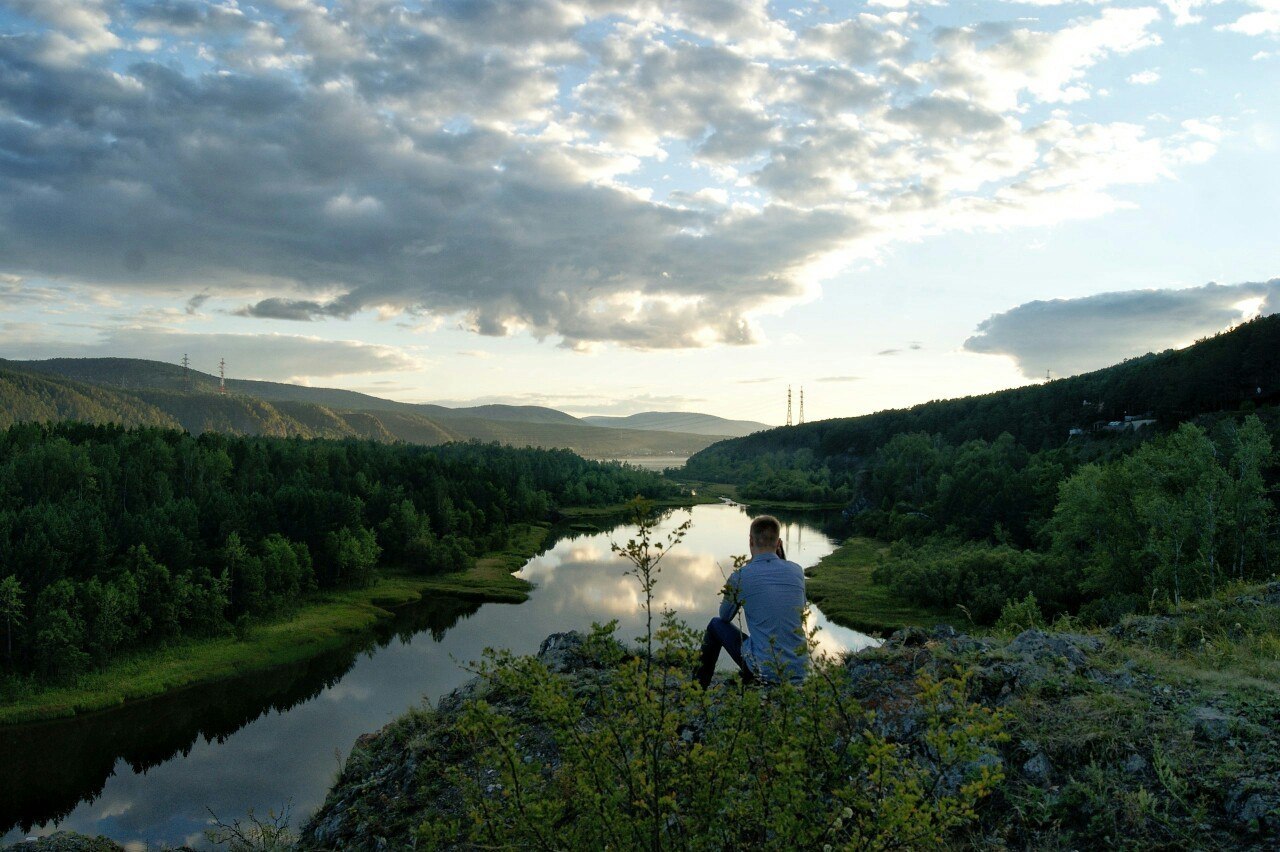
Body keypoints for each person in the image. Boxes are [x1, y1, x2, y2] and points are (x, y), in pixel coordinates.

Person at [694, 515, 808, 688]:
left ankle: (697, 688)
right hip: (799, 670)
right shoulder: (797, 571)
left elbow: (724, 616)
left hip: (764, 670)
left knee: (715, 624)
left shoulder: (741, 576)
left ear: (750, 541)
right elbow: (799, 609)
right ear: (778, 543)